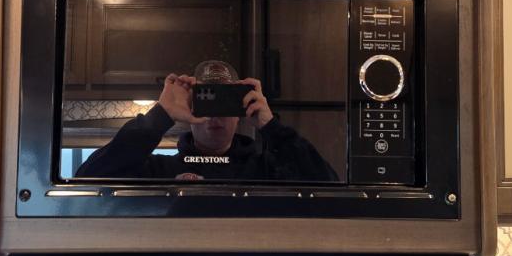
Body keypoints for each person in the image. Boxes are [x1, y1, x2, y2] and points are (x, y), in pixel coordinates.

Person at [75, 60, 338, 182]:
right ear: (190, 108)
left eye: (223, 101)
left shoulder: (267, 170)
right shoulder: (156, 170)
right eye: (205, 101)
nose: (214, 114)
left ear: (239, 108)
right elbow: (87, 179)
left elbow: (328, 185)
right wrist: (161, 115)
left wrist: (270, 126)